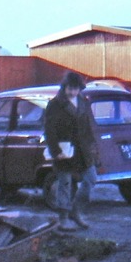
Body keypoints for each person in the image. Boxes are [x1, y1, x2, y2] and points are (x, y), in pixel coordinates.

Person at [43, 72, 99, 232]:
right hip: (64, 151)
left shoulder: (82, 102)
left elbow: (88, 128)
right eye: (70, 88)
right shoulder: (55, 104)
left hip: (83, 150)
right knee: (65, 184)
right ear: (64, 87)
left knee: (91, 179)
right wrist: (55, 151)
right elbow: (49, 129)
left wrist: (94, 150)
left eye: (76, 89)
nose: (73, 92)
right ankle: (63, 218)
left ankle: (76, 210)